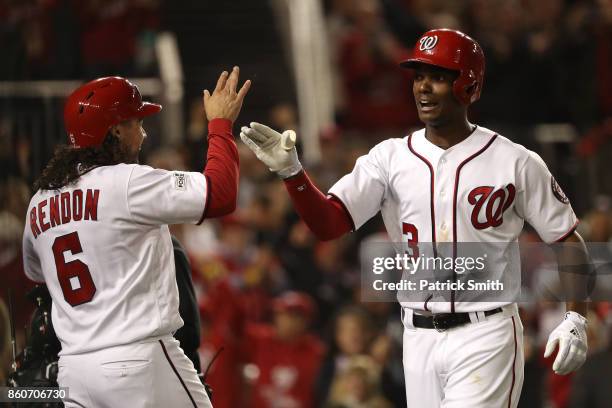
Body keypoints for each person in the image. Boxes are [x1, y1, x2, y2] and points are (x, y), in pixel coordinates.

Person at [240, 29, 590, 407]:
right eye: (419, 76)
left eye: (438, 77)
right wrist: (294, 174)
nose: (423, 87)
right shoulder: (389, 157)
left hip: (485, 332)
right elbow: (328, 224)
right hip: (417, 336)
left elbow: (568, 239)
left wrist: (576, 318)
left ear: (469, 85)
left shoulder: (515, 161)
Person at [22, 68, 250, 408]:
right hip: (137, 359)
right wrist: (219, 125)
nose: (142, 134)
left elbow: (37, 277)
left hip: (75, 371)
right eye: (136, 123)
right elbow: (221, 195)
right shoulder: (126, 181)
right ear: (115, 130)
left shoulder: (39, 201)